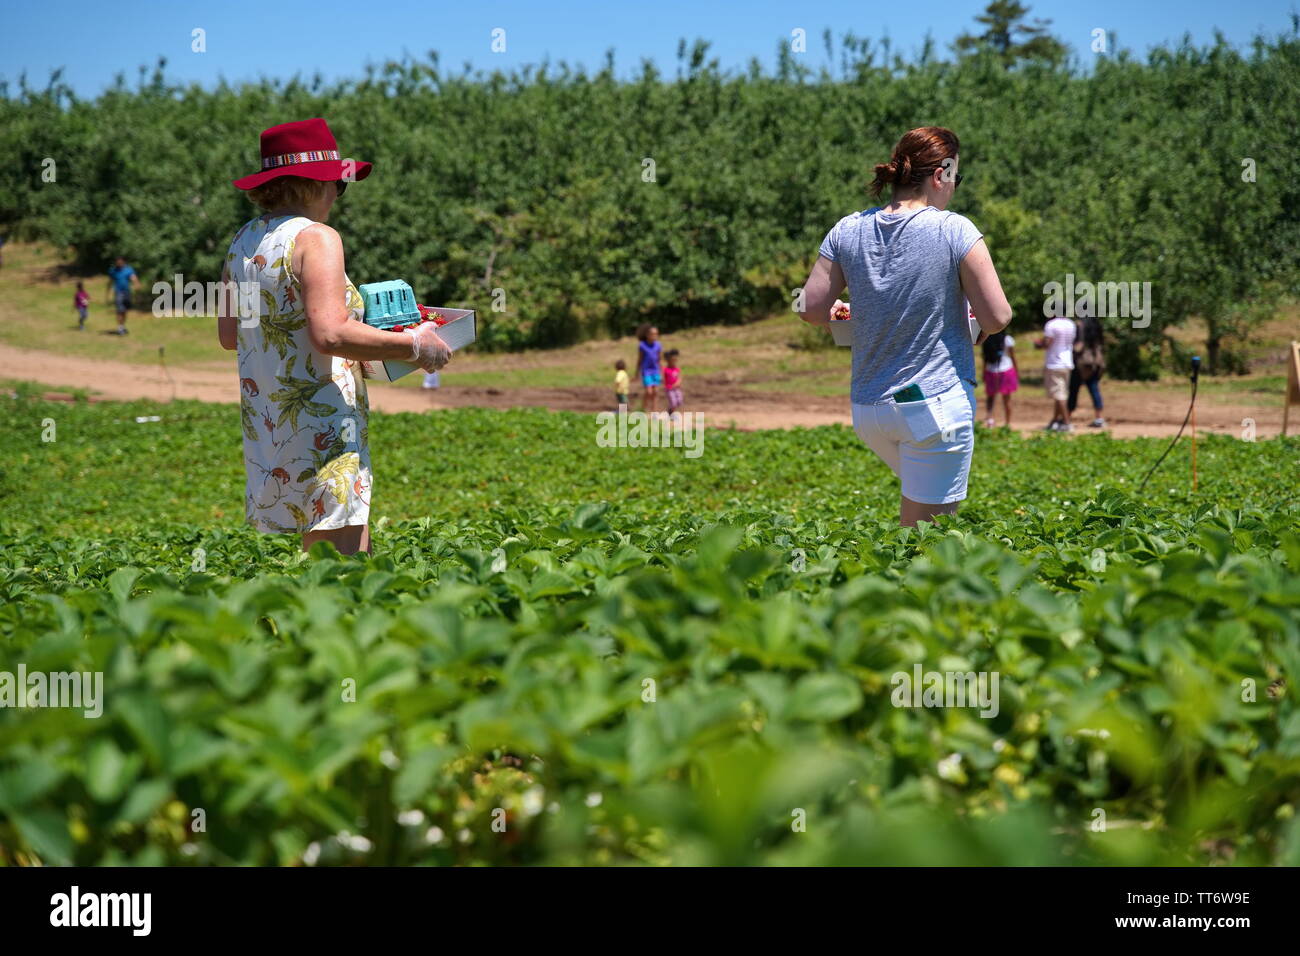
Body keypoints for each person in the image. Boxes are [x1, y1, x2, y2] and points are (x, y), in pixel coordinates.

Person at [219, 118, 451, 556]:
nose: (337, 194)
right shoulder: (317, 239)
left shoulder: (243, 241)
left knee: (323, 554)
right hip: (326, 421)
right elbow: (330, 333)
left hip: (272, 422)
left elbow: (231, 335)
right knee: (343, 565)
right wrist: (415, 345)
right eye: (337, 184)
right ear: (311, 184)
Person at [798, 126, 1011, 527]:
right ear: (941, 175)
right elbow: (997, 316)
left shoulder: (847, 229)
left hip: (869, 411)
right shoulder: (954, 228)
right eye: (957, 177)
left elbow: (809, 308)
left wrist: (840, 314)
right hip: (933, 407)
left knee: (919, 518)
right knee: (927, 542)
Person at [1038, 314, 1077, 431]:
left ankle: (1066, 422)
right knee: (1061, 393)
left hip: (1055, 363)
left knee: (1059, 395)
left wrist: (1039, 344)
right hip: (1067, 362)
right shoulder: (1071, 324)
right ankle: (1054, 421)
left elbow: (1047, 343)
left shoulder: (1051, 325)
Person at [1068, 312, 1106, 428]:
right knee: (1094, 388)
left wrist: (1072, 351)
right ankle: (1099, 417)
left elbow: (1079, 345)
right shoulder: (1096, 324)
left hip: (1081, 362)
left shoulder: (1080, 325)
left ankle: (1067, 418)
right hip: (1095, 361)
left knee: (1073, 389)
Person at [981, 329, 1018, 428]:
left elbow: (985, 358)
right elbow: (1012, 356)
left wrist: (983, 372)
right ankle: (1007, 423)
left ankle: (990, 420)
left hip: (991, 370)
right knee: (1007, 399)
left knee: (990, 398)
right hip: (1006, 369)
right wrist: (1016, 371)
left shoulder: (986, 338)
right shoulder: (1007, 339)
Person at [106, 255, 140, 335]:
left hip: (127, 293)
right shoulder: (113, 271)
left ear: (123, 262)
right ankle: (120, 328)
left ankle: (122, 326)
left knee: (124, 311)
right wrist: (108, 292)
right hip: (118, 293)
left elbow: (133, 278)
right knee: (119, 310)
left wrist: (137, 284)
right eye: (117, 262)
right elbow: (110, 281)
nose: (118, 263)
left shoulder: (128, 270)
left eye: (120, 261)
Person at [636, 324, 663, 414]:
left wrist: (662, 372)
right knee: (649, 391)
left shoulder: (658, 345)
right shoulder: (642, 345)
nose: (654, 336)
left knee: (655, 391)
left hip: (655, 371)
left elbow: (659, 359)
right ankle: (643, 409)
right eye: (652, 334)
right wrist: (637, 373)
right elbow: (640, 359)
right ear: (647, 335)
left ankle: (654, 411)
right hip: (646, 371)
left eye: (656, 334)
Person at [664, 349, 683, 414]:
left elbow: (679, 378)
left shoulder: (677, 369)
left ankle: (670, 411)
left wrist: (678, 383)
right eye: (672, 360)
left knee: (679, 401)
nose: (674, 362)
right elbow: (663, 379)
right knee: (673, 402)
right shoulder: (665, 369)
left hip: (677, 388)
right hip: (669, 389)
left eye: (675, 360)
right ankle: (671, 413)